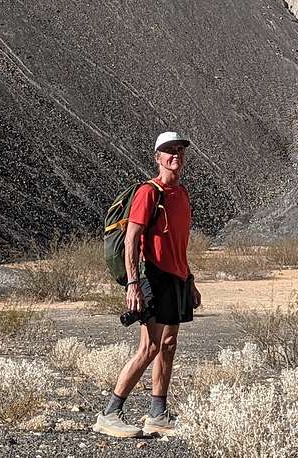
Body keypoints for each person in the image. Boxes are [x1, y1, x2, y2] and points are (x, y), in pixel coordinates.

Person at [93, 131, 200, 438]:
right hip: (151, 276)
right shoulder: (148, 192)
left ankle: (157, 414)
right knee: (150, 346)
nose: (175, 155)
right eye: (168, 151)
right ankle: (110, 413)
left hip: (176, 278)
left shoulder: (181, 195)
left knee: (168, 345)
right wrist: (133, 284)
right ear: (158, 157)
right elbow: (131, 241)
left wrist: (190, 280)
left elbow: (179, 244)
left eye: (179, 150)